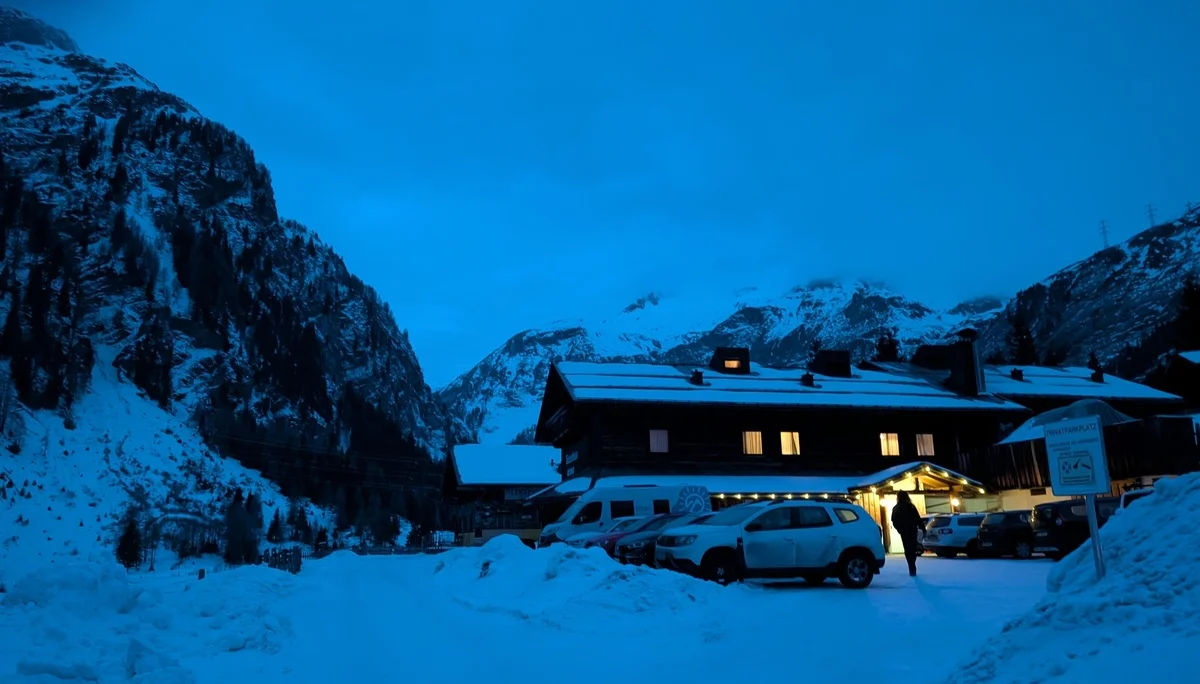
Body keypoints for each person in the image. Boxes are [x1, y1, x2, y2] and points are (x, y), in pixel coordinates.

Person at [891, 491, 923, 577]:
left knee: (907, 548)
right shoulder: (911, 507)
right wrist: (922, 528)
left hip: (904, 531)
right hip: (912, 530)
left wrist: (899, 529)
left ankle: (911, 565)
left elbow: (894, 521)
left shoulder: (896, 508)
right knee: (912, 548)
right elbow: (918, 518)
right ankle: (912, 564)